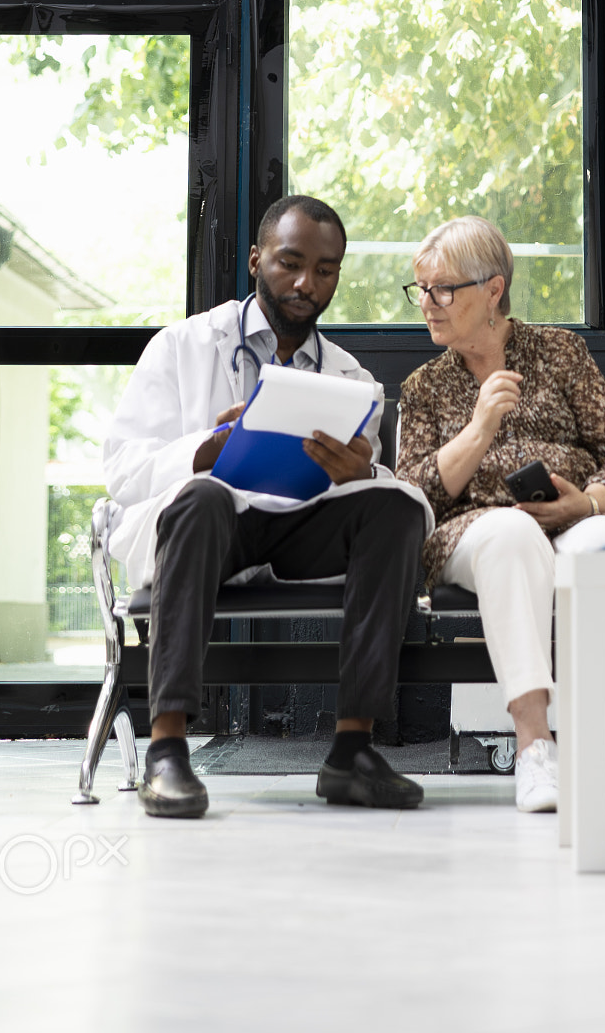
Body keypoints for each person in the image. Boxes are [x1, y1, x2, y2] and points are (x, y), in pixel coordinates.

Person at [104, 194, 432, 818]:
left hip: (295, 529)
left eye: (326, 270)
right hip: (207, 527)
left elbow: (377, 485)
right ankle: (168, 751)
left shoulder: (351, 378)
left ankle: (352, 751)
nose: (307, 283)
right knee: (203, 498)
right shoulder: (181, 346)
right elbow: (124, 468)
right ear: (257, 259)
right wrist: (207, 449)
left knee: (394, 506)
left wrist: (362, 472)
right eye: (290, 263)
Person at [395, 216, 605, 815]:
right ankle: (536, 750)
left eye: (443, 289)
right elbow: (413, 498)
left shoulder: (561, 353)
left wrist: (584, 503)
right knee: (510, 532)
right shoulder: (425, 388)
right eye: (421, 290)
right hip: (475, 530)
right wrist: (480, 427)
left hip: (576, 520)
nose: (428, 304)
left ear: (493, 289)